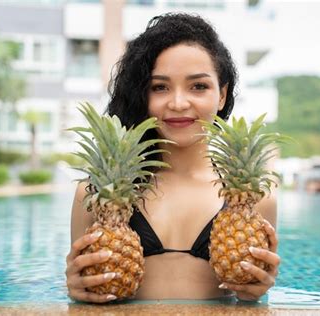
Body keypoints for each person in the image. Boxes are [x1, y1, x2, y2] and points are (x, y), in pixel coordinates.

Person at [65, 13, 280, 304]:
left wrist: (258, 292)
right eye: (160, 87)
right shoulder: (94, 195)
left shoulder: (256, 199)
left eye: (198, 86)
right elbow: (82, 297)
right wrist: (77, 291)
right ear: (142, 95)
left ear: (222, 94)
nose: (178, 103)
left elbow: (253, 300)